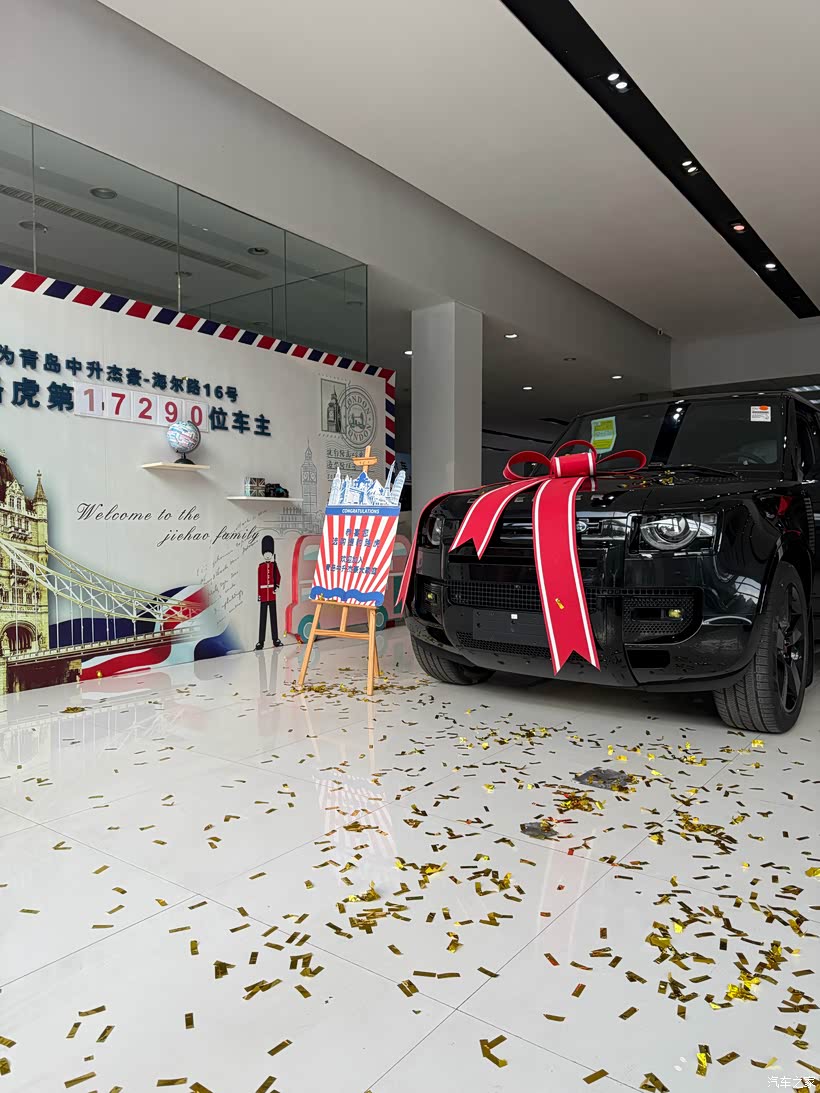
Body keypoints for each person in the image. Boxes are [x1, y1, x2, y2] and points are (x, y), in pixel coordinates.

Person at [256, 534, 283, 649]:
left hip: (272, 595)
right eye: (266, 553)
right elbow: (259, 582)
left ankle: (275, 639)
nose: (267, 555)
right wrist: (259, 595)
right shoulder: (261, 567)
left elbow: (278, 576)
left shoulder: (273, 565)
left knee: (273, 618)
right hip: (263, 595)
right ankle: (261, 641)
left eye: (269, 553)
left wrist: (276, 585)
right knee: (262, 619)